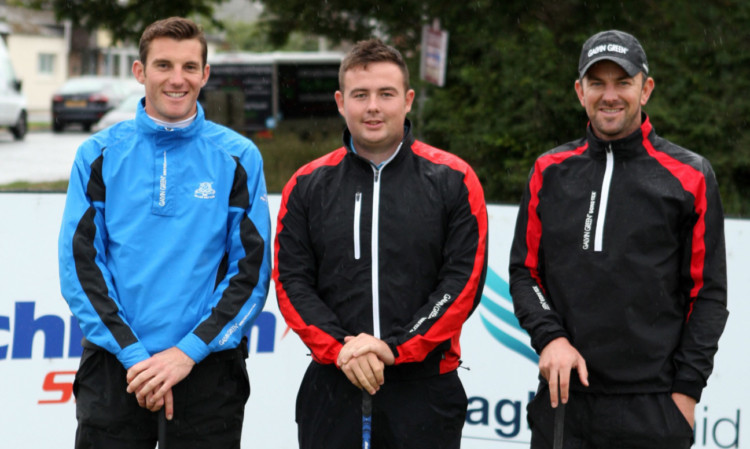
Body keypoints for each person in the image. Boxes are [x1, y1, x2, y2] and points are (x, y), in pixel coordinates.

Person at [58, 17, 271, 448]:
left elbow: (251, 272)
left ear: (205, 74)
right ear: (140, 72)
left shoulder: (238, 156)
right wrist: (137, 358)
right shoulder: (97, 154)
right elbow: (81, 265)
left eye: (190, 67)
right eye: (164, 65)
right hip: (117, 367)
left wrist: (185, 354)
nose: (178, 79)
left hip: (207, 369)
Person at [509, 30, 728, 448]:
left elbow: (709, 294)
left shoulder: (691, 175)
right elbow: (525, 273)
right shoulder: (548, 171)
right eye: (597, 83)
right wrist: (550, 338)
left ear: (645, 89)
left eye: (622, 82)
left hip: (653, 407)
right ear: (580, 91)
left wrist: (685, 392)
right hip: (563, 402)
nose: (610, 96)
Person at [273, 38, 488, 449]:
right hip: (332, 383)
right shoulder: (306, 185)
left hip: (424, 390)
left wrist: (395, 347)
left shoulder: (454, 179)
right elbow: (290, 283)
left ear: (407, 100)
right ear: (340, 102)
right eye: (360, 95)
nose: (373, 106)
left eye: (386, 94)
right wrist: (341, 349)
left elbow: (462, 284)